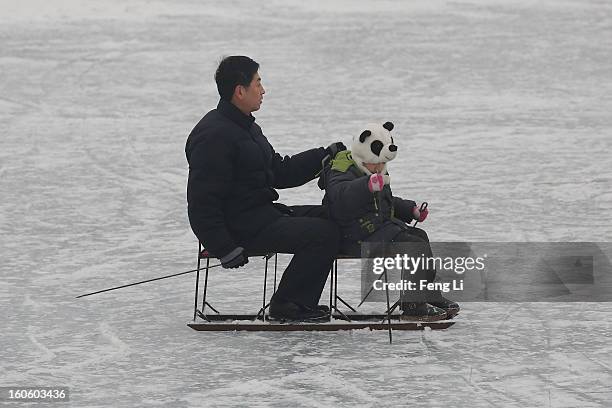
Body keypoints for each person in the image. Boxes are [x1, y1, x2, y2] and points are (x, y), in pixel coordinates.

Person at [185, 56, 346, 322]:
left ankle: (296, 301)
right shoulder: (213, 136)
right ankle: (288, 304)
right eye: (258, 83)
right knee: (322, 233)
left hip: (262, 216)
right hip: (240, 228)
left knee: (332, 217)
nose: (263, 90)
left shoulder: (246, 127)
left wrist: (322, 156)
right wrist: (223, 246)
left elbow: (278, 172)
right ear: (240, 91)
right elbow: (202, 202)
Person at [320, 122, 459, 321]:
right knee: (414, 246)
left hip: (376, 229)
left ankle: (425, 294)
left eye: (382, 165)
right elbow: (341, 197)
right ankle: (413, 304)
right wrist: (366, 185)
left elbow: (386, 201)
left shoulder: (373, 170)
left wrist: (410, 210)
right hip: (352, 236)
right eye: (375, 164)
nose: (379, 168)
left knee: (419, 236)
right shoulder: (342, 170)